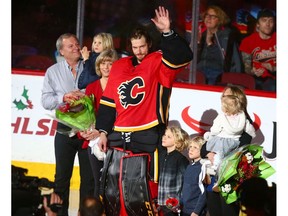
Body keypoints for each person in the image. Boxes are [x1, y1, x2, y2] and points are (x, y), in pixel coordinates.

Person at [95, 6, 193, 215]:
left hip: (148, 133)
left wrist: (168, 32)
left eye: (142, 46)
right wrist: (102, 132)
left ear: (148, 44)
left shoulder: (159, 60)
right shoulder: (120, 66)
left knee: (145, 190)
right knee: (115, 189)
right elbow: (108, 102)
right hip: (118, 134)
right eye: (135, 46)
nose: (139, 50)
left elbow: (184, 55)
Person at [41, 33, 94, 216]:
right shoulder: (52, 72)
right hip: (64, 132)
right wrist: (63, 97)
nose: (76, 48)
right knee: (61, 179)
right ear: (61, 51)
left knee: (88, 180)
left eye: (77, 44)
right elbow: (46, 101)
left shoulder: (90, 67)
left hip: (88, 133)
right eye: (71, 46)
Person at [200, 85, 256, 216]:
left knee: (227, 210)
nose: (223, 98)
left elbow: (240, 149)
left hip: (230, 175)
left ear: (237, 99)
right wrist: (209, 153)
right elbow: (204, 148)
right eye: (223, 96)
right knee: (213, 209)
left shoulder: (244, 122)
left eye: (226, 96)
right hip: (213, 176)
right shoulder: (221, 118)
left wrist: (219, 155)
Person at [79, 49, 118, 198]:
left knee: (112, 183)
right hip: (94, 140)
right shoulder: (92, 86)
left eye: (110, 63)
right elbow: (85, 115)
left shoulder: (121, 86)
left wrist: (103, 131)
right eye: (103, 63)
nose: (106, 67)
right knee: (98, 183)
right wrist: (85, 131)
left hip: (114, 139)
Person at [203, 94, 256, 175]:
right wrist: (253, 134)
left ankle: (216, 167)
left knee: (218, 153)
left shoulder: (222, 117)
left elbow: (215, 129)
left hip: (222, 140)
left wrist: (212, 134)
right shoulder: (242, 117)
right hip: (234, 142)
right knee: (224, 156)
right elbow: (249, 129)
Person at [197, 5, 243, 85]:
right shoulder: (201, 35)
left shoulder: (226, 35)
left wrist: (210, 44)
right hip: (198, 72)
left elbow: (233, 59)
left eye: (213, 16)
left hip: (216, 73)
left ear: (219, 20)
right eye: (207, 15)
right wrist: (198, 43)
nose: (208, 18)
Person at [239, 9, 276, 91]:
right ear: (258, 25)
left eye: (271, 21)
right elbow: (246, 68)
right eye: (264, 20)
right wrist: (253, 71)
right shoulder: (247, 41)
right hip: (255, 79)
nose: (268, 24)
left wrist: (273, 68)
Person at [157, 126, 190, 215]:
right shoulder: (161, 155)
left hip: (173, 203)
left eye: (169, 137)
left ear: (177, 142)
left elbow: (187, 181)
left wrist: (181, 200)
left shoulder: (181, 159)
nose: (164, 137)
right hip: (161, 200)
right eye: (164, 135)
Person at [181, 136, 207, 216]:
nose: (191, 149)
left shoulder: (203, 167)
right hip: (185, 209)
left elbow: (204, 192)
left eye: (195, 147)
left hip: (195, 211)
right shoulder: (190, 166)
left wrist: (196, 211)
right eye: (190, 147)